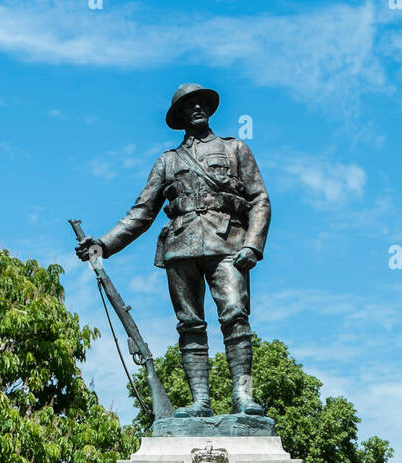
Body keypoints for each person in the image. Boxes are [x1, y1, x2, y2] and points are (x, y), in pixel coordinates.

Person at [76, 82, 271, 419]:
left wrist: (254, 244)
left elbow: (259, 200)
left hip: (228, 244)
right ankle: (200, 402)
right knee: (190, 325)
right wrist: (104, 243)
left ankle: (242, 395)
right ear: (179, 116)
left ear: (209, 109)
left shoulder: (235, 149)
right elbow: (142, 213)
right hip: (180, 249)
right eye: (188, 105)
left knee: (235, 316)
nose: (196, 108)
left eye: (201, 103)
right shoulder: (167, 162)